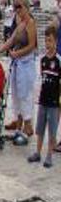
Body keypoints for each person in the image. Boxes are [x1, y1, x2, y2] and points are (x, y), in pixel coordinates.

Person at [0, 0, 38, 138]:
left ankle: (28, 125)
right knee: (16, 94)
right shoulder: (20, 23)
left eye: (19, 6)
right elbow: (11, 40)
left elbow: (32, 45)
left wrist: (17, 53)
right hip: (18, 63)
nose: (17, 9)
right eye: (15, 6)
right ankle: (19, 124)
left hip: (26, 63)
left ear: (26, 7)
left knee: (25, 94)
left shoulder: (30, 23)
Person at [29, 24, 59, 167]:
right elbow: (41, 78)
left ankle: (49, 156)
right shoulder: (42, 60)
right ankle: (38, 152)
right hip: (43, 100)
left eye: (51, 41)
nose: (48, 44)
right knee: (40, 129)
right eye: (46, 40)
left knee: (52, 131)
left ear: (56, 42)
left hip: (54, 103)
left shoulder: (59, 61)